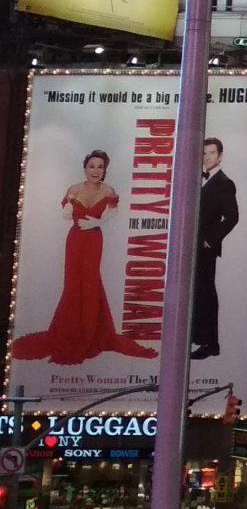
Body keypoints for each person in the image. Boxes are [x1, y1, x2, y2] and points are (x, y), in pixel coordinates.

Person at [14, 150, 148, 364]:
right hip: (75, 239)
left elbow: (113, 212)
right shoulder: (74, 189)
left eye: (100, 167)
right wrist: (69, 205)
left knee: (91, 281)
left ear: (105, 170)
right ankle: (70, 330)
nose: (96, 170)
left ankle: (91, 333)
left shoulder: (108, 190)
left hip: (94, 239)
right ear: (85, 168)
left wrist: (97, 222)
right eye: (92, 166)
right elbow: (66, 214)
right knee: (73, 282)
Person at [193, 137, 239, 359]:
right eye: (204, 153)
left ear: (220, 156)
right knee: (194, 291)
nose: (207, 157)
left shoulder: (224, 183)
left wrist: (209, 240)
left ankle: (211, 343)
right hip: (189, 245)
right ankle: (196, 337)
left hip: (205, 248)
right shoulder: (195, 178)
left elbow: (232, 218)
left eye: (211, 153)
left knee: (206, 292)